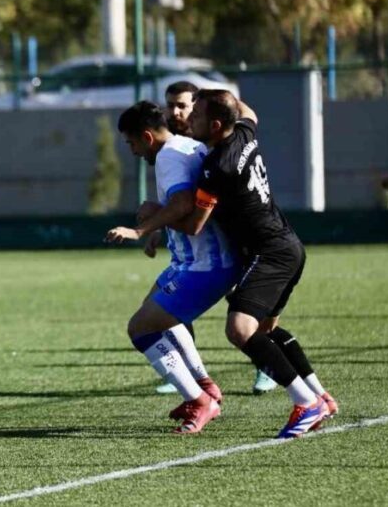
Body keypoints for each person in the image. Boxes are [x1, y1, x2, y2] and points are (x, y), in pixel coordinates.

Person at [179, 89, 337, 438]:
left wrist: (153, 217)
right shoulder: (244, 131)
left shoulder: (216, 167)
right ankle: (320, 397)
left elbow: (194, 224)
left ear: (216, 124)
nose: (189, 119)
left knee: (240, 329)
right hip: (288, 245)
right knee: (265, 332)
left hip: (270, 253)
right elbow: (247, 111)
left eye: (197, 115)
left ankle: (305, 403)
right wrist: (219, 93)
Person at [105, 101, 239, 434]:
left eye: (131, 143)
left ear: (147, 137)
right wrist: (158, 225)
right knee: (155, 313)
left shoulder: (167, 156)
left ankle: (199, 400)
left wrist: (141, 229)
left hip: (204, 265)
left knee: (141, 329)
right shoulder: (188, 145)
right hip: (191, 261)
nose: (132, 151)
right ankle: (204, 385)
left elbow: (182, 204)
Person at [152, 80, 278, 396]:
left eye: (184, 105)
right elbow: (178, 198)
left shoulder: (217, 147)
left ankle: (268, 366)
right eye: (171, 106)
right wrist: (158, 228)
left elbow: (188, 209)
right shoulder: (178, 147)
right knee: (170, 301)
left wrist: (146, 223)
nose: (177, 112)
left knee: (251, 310)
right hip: (201, 246)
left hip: (242, 238)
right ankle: (186, 373)